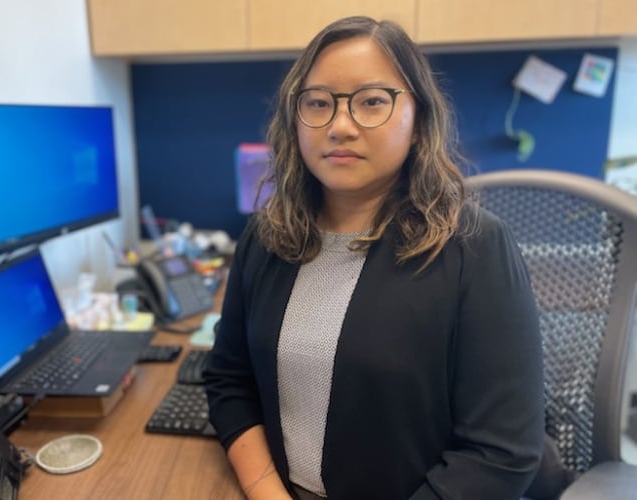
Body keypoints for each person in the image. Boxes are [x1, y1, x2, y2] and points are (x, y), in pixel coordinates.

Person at [203, 15, 546, 500]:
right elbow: (228, 381)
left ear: (418, 117)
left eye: (371, 102)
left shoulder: (476, 249)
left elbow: (502, 454)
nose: (340, 126)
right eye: (318, 103)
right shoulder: (266, 237)